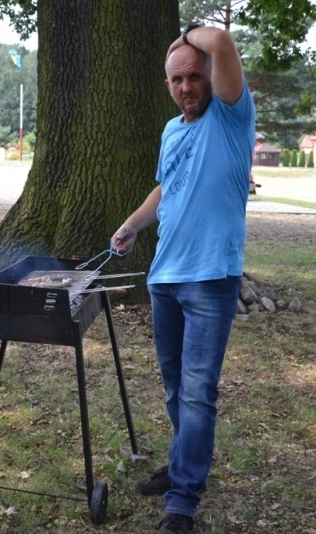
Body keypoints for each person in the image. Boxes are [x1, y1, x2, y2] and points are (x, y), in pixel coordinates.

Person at [110, 24, 255, 534]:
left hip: (211, 278)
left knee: (198, 391)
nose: (186, 87)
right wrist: (132, 224)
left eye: (194, 76)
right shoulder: (173, 130)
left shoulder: (233, 117)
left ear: (210, 77)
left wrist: (185, 35)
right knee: (176, 387)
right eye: (176, 80)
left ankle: (183, 499)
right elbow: (164, 191)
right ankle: (182, 464)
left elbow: (219, 41)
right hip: (164, 277)